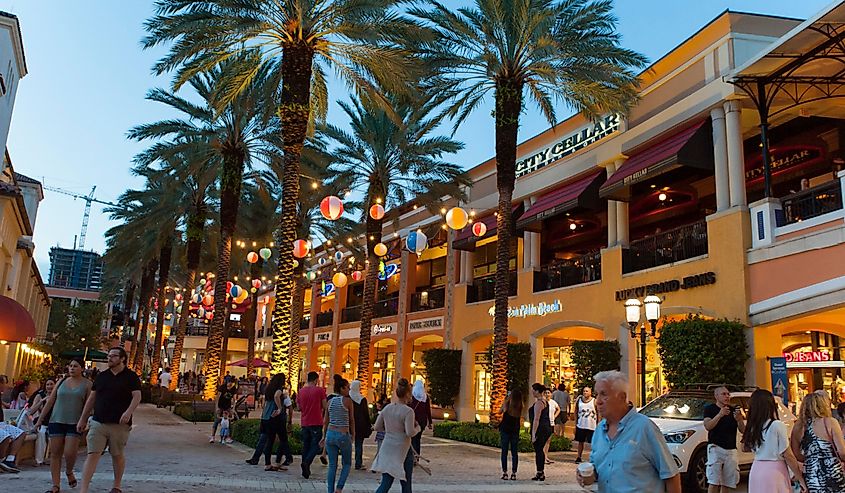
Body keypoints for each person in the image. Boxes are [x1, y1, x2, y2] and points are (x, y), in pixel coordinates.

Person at [576, 370, 681, 493]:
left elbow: (671, 475)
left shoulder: (644, 428)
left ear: (622, 397)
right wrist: (589, 476)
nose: (598, 401)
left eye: (604, 394)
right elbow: (598, 470)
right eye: (597, 394)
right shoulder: (599, 430)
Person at [76, 347, 142, 493]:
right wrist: (83, 419)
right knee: (92, 453)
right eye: (109, 356)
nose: (110, 358)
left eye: (114, 356)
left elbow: (137, 396)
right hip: (99, 421)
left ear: (122, 358)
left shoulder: (130, 377)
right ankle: (83, 489)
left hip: (119, 424)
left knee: (117, 455)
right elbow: (92, 398)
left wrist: (128, 412)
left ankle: (116, 486)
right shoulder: (102, 376)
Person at [37, 358, 91, 492]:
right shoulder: (61, 382)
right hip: (56, 420)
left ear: (82, 369)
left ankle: (68, 471)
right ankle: (55, 485)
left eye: (76, 366)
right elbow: (50, 402)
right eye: (70, 365)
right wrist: (40, 419)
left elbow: (89, 405)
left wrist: (84, 419)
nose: (72, 368)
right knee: (55, 453)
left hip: (75, 422)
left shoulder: (87, 384)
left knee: (69, 452)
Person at [742, 389, 806, 493]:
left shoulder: (753, 426)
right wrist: (800, 478)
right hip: (774, 470)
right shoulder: (776, 425)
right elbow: (788, 455)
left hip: (756, 468)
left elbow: (745, 447)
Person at [790, 391, 845, 492]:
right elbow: (842, 452)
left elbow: (796, 454)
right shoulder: (831, 422)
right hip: (833, 473)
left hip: (812, 475)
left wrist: (811, 459)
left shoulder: (798, 426)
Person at [372, 378, 420, 493]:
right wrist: (418, 428)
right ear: (408, 394)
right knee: (406, 483)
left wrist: (389, 428)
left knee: (386, 482)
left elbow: (377, 427)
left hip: (388, 446)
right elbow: (409, 432)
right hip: (402, 448)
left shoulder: (387, 408)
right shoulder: (408, 411)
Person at [703, 386, 746, 493]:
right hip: (715, 447)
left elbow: (743, 430)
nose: (727, 396)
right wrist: (720, 415)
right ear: (716, 396)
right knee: (714, 481)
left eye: (728, 394)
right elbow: (708, 426)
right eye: (724, 394)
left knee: (728, 482)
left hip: (731, 449)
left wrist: (739, 420)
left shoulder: (734, 410)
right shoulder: (710, 409)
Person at [245, 373, 291, 470]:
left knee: (267, 440)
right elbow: (276, 396)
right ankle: (284, 459)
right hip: (273, 417)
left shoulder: (268, 389)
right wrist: (279, 408)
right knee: (278, 439)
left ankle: (265, 462)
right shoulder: (279, 390)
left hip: (265, 417)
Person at [321, 375, 354, 493]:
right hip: (343, 434)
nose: (349, 390)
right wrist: (353, 435)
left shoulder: (329, 402)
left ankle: (330, 490)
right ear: (342, 388)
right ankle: (339, 488)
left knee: (332, 465)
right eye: (347, 388)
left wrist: (324, 437)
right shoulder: (348, 401)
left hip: (330, 434)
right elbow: (351, 420)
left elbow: (326, 421)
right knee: (347, 463)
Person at [297, 370, 328, 479]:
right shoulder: (320, 391)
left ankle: (305, 468)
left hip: (305, 422)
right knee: (316, 445)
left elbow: (299, 407)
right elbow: (325, 406)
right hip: (316, 421)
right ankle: (306, 462)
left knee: (306, 444)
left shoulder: (301, 391)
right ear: (315, 380)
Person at [528, 383, 552, 481]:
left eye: (533, 390)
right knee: (539, 450)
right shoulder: (544, 401)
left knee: (539, 450)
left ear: (537, 391)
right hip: (546, 428)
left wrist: (533, 433)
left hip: (541, 429)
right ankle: (540, 471)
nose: (532, 392)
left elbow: (536, 419)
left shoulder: (539, 403)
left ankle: (540, 472)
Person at [498, 388, 524, 481]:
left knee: (504, 451)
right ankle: (514, 473)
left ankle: (505, 473)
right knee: (514, 452)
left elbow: (500, 411)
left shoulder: (507, 404)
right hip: (515, 430)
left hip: (505, 429)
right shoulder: (520, 406)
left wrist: (505, 400)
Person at [30, 378, 56, 466]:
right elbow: (31, 411)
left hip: (54, 422)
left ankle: (51, 458)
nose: (49, 386)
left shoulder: (58, 396)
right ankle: (39, 460)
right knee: (41, 433)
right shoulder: (40, 396)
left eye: (51, 384)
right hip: (41, 422)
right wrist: (41, 401)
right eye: (47, 384)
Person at [349, 380, 372, 470]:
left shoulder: (347, 398)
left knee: (347, 444)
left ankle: (346, 462)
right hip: (360, 425)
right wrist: (368, 424)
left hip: (349, 424)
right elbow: (366, 414)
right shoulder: (362, 399)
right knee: (359, 444)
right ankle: (358, 463)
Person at [574, 386, 597, 463]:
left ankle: (593, 457)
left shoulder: (594, 401)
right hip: (581, 424)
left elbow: (598, 412)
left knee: (592, 442)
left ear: (590, 392)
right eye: (584, 391)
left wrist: (599, 422)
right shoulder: (579, 400)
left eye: (587, 391)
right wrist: (576, 422)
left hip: (592, 425)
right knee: (580, 441)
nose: (585, 392)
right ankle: (579, 456)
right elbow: (576, 411)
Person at [409, 380, 432, 459]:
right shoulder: (425, 397)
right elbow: (428, 410)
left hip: (413, 420)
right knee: (418, 439)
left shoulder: (412, 396)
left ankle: (413, 457)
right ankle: (417, 456)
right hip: (422, 421)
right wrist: (430, 422)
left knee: (413, 439)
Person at [542, 388, 559, 465]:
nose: (547, 394)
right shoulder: (542, 402)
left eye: (548, 393)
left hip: (551, 423)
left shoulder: (553, 402)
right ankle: (542, 457)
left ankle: (546, 456)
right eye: (546, 393)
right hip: (544, 423)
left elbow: (558, 409)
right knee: (544, 440)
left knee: (548, 441)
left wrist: (554, 416)